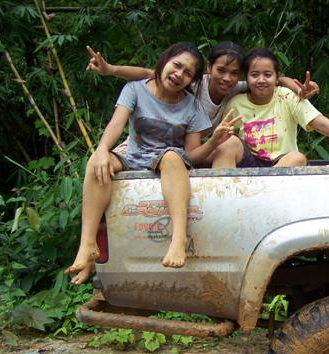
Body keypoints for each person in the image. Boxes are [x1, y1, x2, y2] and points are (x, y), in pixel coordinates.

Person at [66, 42, 240, 284]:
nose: (179, 74)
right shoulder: (135, 89)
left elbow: (191, 155)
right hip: (132, 155)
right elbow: (116, 124)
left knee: (172, 156)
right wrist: (102, 150)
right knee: (97, 161)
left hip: (167, 160)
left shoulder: (192, 106)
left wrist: (213, 142)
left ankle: (178, 239)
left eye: (187, 73)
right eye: (176, 65)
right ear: (164, 61)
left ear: (192, 81)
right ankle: (87, 243)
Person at [86, 41, 319, 163]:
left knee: (227, 147)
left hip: (189, 151)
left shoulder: (237, 88)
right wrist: (110, 69)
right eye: (221, 70)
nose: (226, 78)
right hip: (150, 143)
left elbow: (266, 81)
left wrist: (291, 84)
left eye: (234, 73)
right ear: (209, 68)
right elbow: (150, 74)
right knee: (101, 162)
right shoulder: (192, 83)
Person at [211, 48, 329, 168]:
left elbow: (320, 123)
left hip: (283, 165)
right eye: (254, 75)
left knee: (298, 157)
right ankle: (222, 195)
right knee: (229, 142)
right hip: (249, 168)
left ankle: (262, 191)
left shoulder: (287, 96)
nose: (261, 80)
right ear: (246, 77)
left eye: (267, 74)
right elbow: (223, 143)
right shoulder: (236, 103)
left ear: (277, 77)